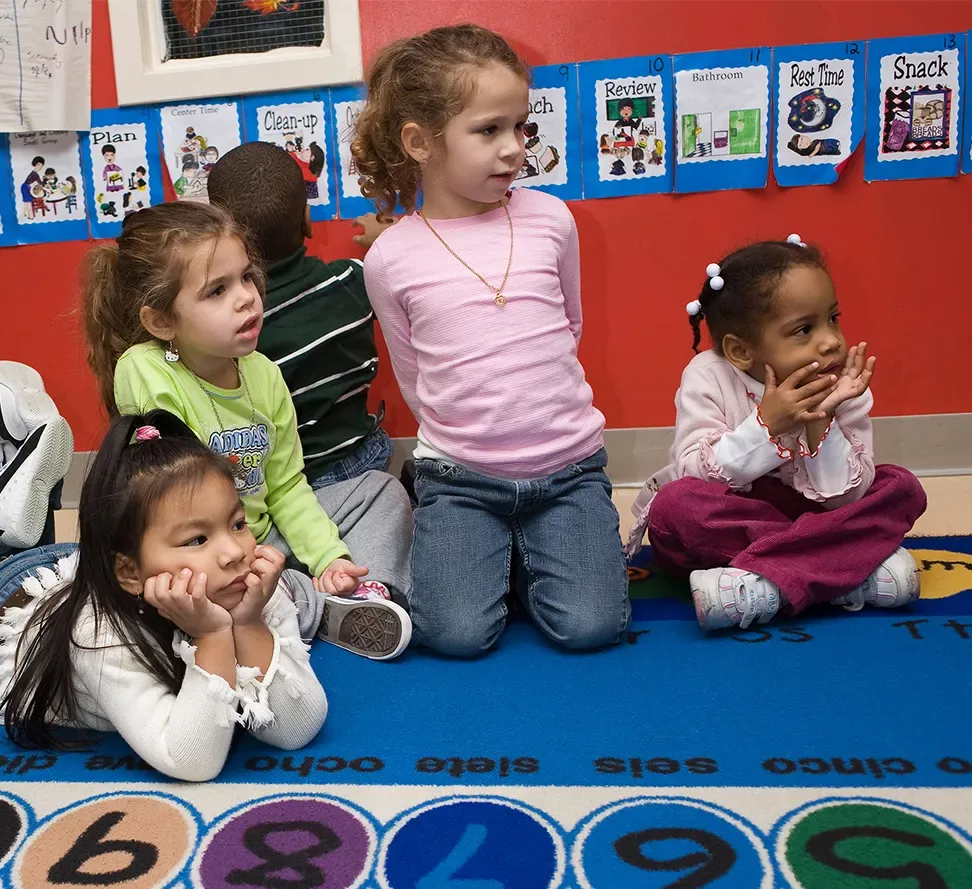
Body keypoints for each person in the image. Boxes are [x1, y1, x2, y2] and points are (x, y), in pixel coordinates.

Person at [0, 376, 328, 782]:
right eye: (197, 539)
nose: (234, 552)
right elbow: (192, 761)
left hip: (87, 563)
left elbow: (297, 729)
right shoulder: (98, 633)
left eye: (237, 524)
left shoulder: (250, 590)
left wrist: (247, 624)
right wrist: (213, 636)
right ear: (130, 572)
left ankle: (15, 508)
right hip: (4, 605)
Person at [352, 24, 630, 657]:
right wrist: (475, 439)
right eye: (488, 130)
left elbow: (569, 327)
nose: (514, 148)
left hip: (567, 470)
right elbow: (415, 375)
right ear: (420, 142)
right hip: (460, 479)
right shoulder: (390, 258)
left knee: (592, 627)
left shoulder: (551, 219)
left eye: (521, 127)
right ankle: (496, 556)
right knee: (455, 637)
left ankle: (526, 557)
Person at [82, 201, 413, 661]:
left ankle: (360, 591)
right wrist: (246, 558)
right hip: (203, 553)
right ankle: (307, 607)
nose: (245, 298)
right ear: (162, 321)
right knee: (192, 587)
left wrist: (330, 557)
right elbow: (172, 507)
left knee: (381, 490)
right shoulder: (147, 371)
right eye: (217, 291)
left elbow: (286, 486)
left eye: (246, 278)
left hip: (262, 535)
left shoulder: (264, 373)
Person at [630, 236, 927, 631]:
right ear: (741, 352)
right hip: (737, 519)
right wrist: (767, 425)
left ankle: (767, 584)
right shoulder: (708, 376)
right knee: (675, 507)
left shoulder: (842, 384)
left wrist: (821, 419)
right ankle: (846, 569)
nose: (831, 341)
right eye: (804, 329)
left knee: (900, 487)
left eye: (833, 318)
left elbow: (846, 498)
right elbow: (694, 473)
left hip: (808, 515)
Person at [207, 141, 394, 491]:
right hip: (362, 462)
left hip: (277, 483)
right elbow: (410, 271)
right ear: (307, 221)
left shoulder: (225, 324)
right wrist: (390, 236)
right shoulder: (351, 280)